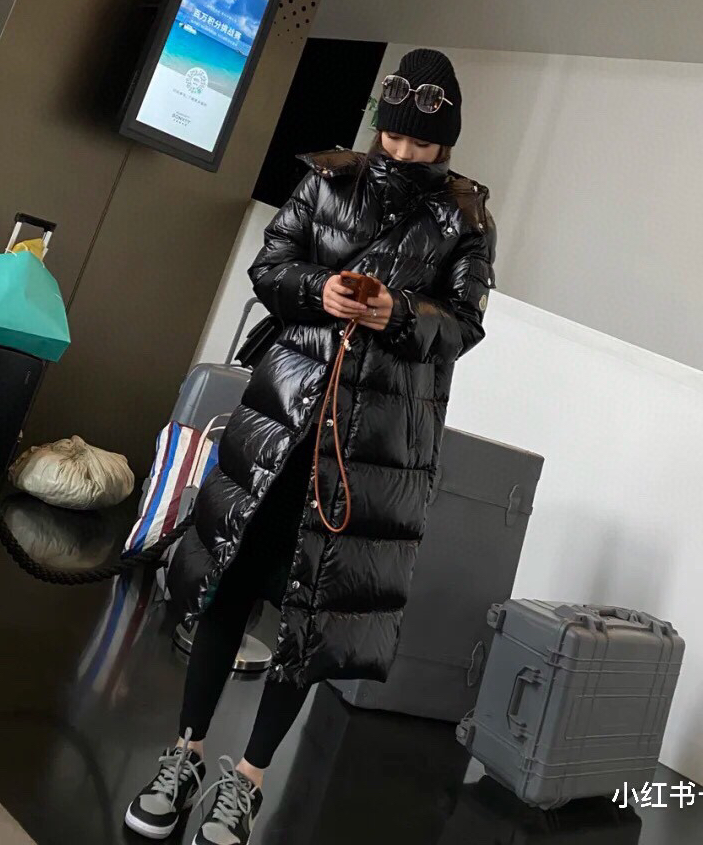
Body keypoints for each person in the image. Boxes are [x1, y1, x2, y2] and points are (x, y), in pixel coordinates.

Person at [125, 49, 496, 845]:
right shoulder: (327, 180)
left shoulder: (464, 221)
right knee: (227, 583)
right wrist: (317, 291)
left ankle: (248, 780)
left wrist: (399, 313)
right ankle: (184, 753)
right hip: (283, 420)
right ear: (378, 126)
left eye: (422, 142)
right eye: (393, 136)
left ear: (447, 141)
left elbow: (464, 327)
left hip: (371, 446)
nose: (404, 151)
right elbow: (272, 265)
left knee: (312, 613)